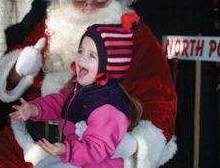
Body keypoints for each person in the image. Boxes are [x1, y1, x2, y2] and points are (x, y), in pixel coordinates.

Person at [0, 0, 177, 167]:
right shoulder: (55, 24)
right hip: (36, 137)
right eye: (80, 1)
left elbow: (159, 98)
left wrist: (132, 144)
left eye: (99, 1)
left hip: (92, 148)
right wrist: (21, 69)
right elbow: (50, 96)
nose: (88, 9)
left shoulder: (134, 37)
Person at [10, 21, 143, 167]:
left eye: (92, 55)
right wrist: (34, 109)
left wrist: (67, 150)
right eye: (81, 51)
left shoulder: (108, 106)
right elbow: (59, 103)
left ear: (109, 66)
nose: (81, 59)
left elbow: (96, 149)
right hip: (76, 156)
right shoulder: (80, 87)